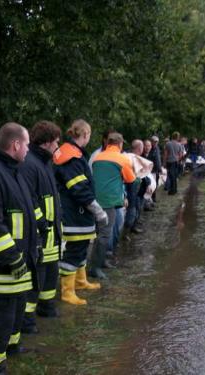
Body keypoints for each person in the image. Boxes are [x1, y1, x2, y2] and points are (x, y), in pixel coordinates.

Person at [0, 123, 39, 374]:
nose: (28, 150)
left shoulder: (12, 170)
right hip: (2, 267)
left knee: (13, 314)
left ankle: (10, 350)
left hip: (18, 261)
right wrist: (11, 256)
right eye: (26, 145)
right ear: (16, 145)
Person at [53, 120, 107, 304]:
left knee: (82, 248)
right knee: (74, 251)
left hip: (79, 213)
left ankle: (80, 281)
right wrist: (97, 209)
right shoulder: (71, 157)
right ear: (85, 134)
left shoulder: (72, 153)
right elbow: (79, 189)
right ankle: (67, 291)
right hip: (74, 213)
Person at [19, 120, 63, 334]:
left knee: (50, 272)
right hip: (40, 232)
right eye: (56, 142)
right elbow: (30, 199)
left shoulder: (44, 161)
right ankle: (27, 320)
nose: (58, 146)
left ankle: (46, 307)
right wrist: (42, 224)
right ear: (46, 143)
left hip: (50, 231)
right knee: (36, 276)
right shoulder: (30, 163)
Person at [91, 132, 137, 279]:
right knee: (105, 234)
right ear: (120, 144)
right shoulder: (122, 159)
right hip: (109, 201)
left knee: (100, 232)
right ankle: (95, 268)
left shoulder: (98, 157)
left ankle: (102, 261)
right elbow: (131, 180)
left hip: (95, 200)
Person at [144, 136, 161, 203]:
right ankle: (149, 200)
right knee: (149, 185)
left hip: (156, 170)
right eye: (154, 141)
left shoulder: (157, 148)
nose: (156, 143)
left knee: (155, 184)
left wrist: (159, 168)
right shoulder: (149, 150)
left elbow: (158, 159)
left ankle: (153, 198)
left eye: (157, 141)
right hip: (150, 171)